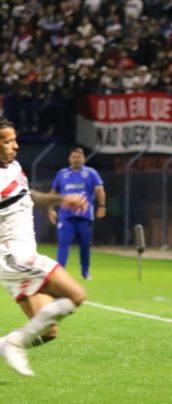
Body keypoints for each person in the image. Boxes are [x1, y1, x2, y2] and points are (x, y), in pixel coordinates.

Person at [0, 118, 89, 376]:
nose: (15, 146)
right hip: (13, 255)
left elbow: (29, 196)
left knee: (48, 332)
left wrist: (62, 199)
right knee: (76, 295)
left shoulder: (13, 167)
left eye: (15, 139)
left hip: (21, 255)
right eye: (7, 141)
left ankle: (8, 344)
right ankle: (16, 343)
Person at [47, 146, 106, 280]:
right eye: (73, 157)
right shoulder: (62, 174)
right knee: (63, 244)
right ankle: (60, 273)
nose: (76, 159)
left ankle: (85, 272)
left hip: (84, 217)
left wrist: (102, 206)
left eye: (79, 157)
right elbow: (53, 193)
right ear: (69, 159)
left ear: (83, 158)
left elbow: (99, 190)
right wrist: (50, 210)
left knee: (85, 246)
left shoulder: (91, 173)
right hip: (65, 216)